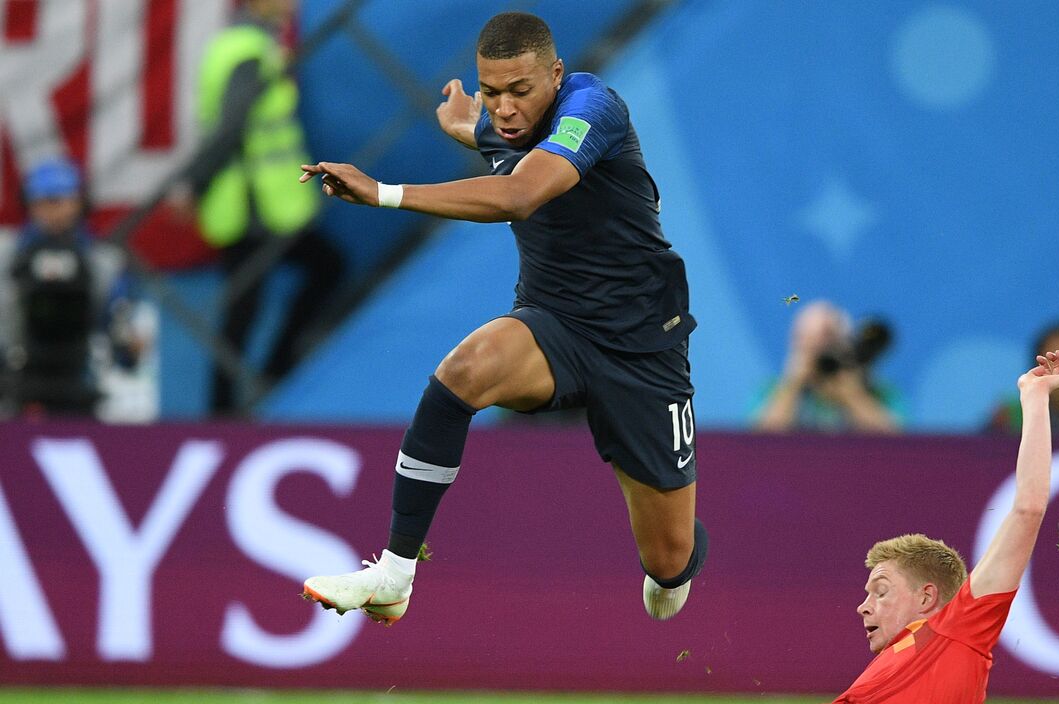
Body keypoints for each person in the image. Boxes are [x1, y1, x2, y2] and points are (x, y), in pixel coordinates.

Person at [285, 351, 1059, 704]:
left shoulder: (962, 633)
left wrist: (1034, 402)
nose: (863, 608)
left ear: (935, 597)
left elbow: (1029, 510)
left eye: (881, 591)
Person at [299, 12, 704, 625]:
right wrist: (466, 119)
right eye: (492, 91)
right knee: (462, 373)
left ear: (557, 76)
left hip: (643, 345)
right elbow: (484, 131)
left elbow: (519, 193)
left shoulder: (594, 108)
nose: (505, 109)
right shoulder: (501, 123)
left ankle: (673, 555)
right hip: (555, 322)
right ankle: (394, 574)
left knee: (668, 563)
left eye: (521, 91)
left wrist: (384, 191)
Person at [181, 0, 346, 415]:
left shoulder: (246, 43)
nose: (293, 4)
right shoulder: (250, 52)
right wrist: (196, 183)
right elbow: (232, 126)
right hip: (253, 205)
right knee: (243, 309)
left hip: (270, 205)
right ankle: (227, 408)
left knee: (310, 275)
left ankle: (268, 374)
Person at [0, 158, 151, 419]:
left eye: (61, 200)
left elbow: (120, 332)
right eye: (43, 202)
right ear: (29, 205)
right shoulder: (5, 255)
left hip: (79, 378)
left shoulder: (104, 263)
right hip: (14, 377)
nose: (53, 211)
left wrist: (129, 346)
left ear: (80, 203)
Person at [752, 300, 901, 433]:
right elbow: (759, 443)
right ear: (793, 344)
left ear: (846, 343)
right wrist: (792, 386)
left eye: (828, 338)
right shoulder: (774, 391)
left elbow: (898, 445)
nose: (819, 348)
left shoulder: (879, 392)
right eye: (808, 340)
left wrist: (852, 395)